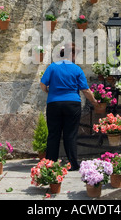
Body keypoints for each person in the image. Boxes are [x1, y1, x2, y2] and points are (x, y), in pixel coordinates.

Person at [40, 43, 98, 171]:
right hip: (72, 104)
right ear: (71, 54)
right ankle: (73, 163)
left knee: (53, 134)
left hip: (54, 103)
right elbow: (86, 90)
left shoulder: (52, 67)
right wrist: (94, 102)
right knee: (70, 135)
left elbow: (43, 85)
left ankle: (50, 163)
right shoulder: (77, 69)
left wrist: (50, 93)